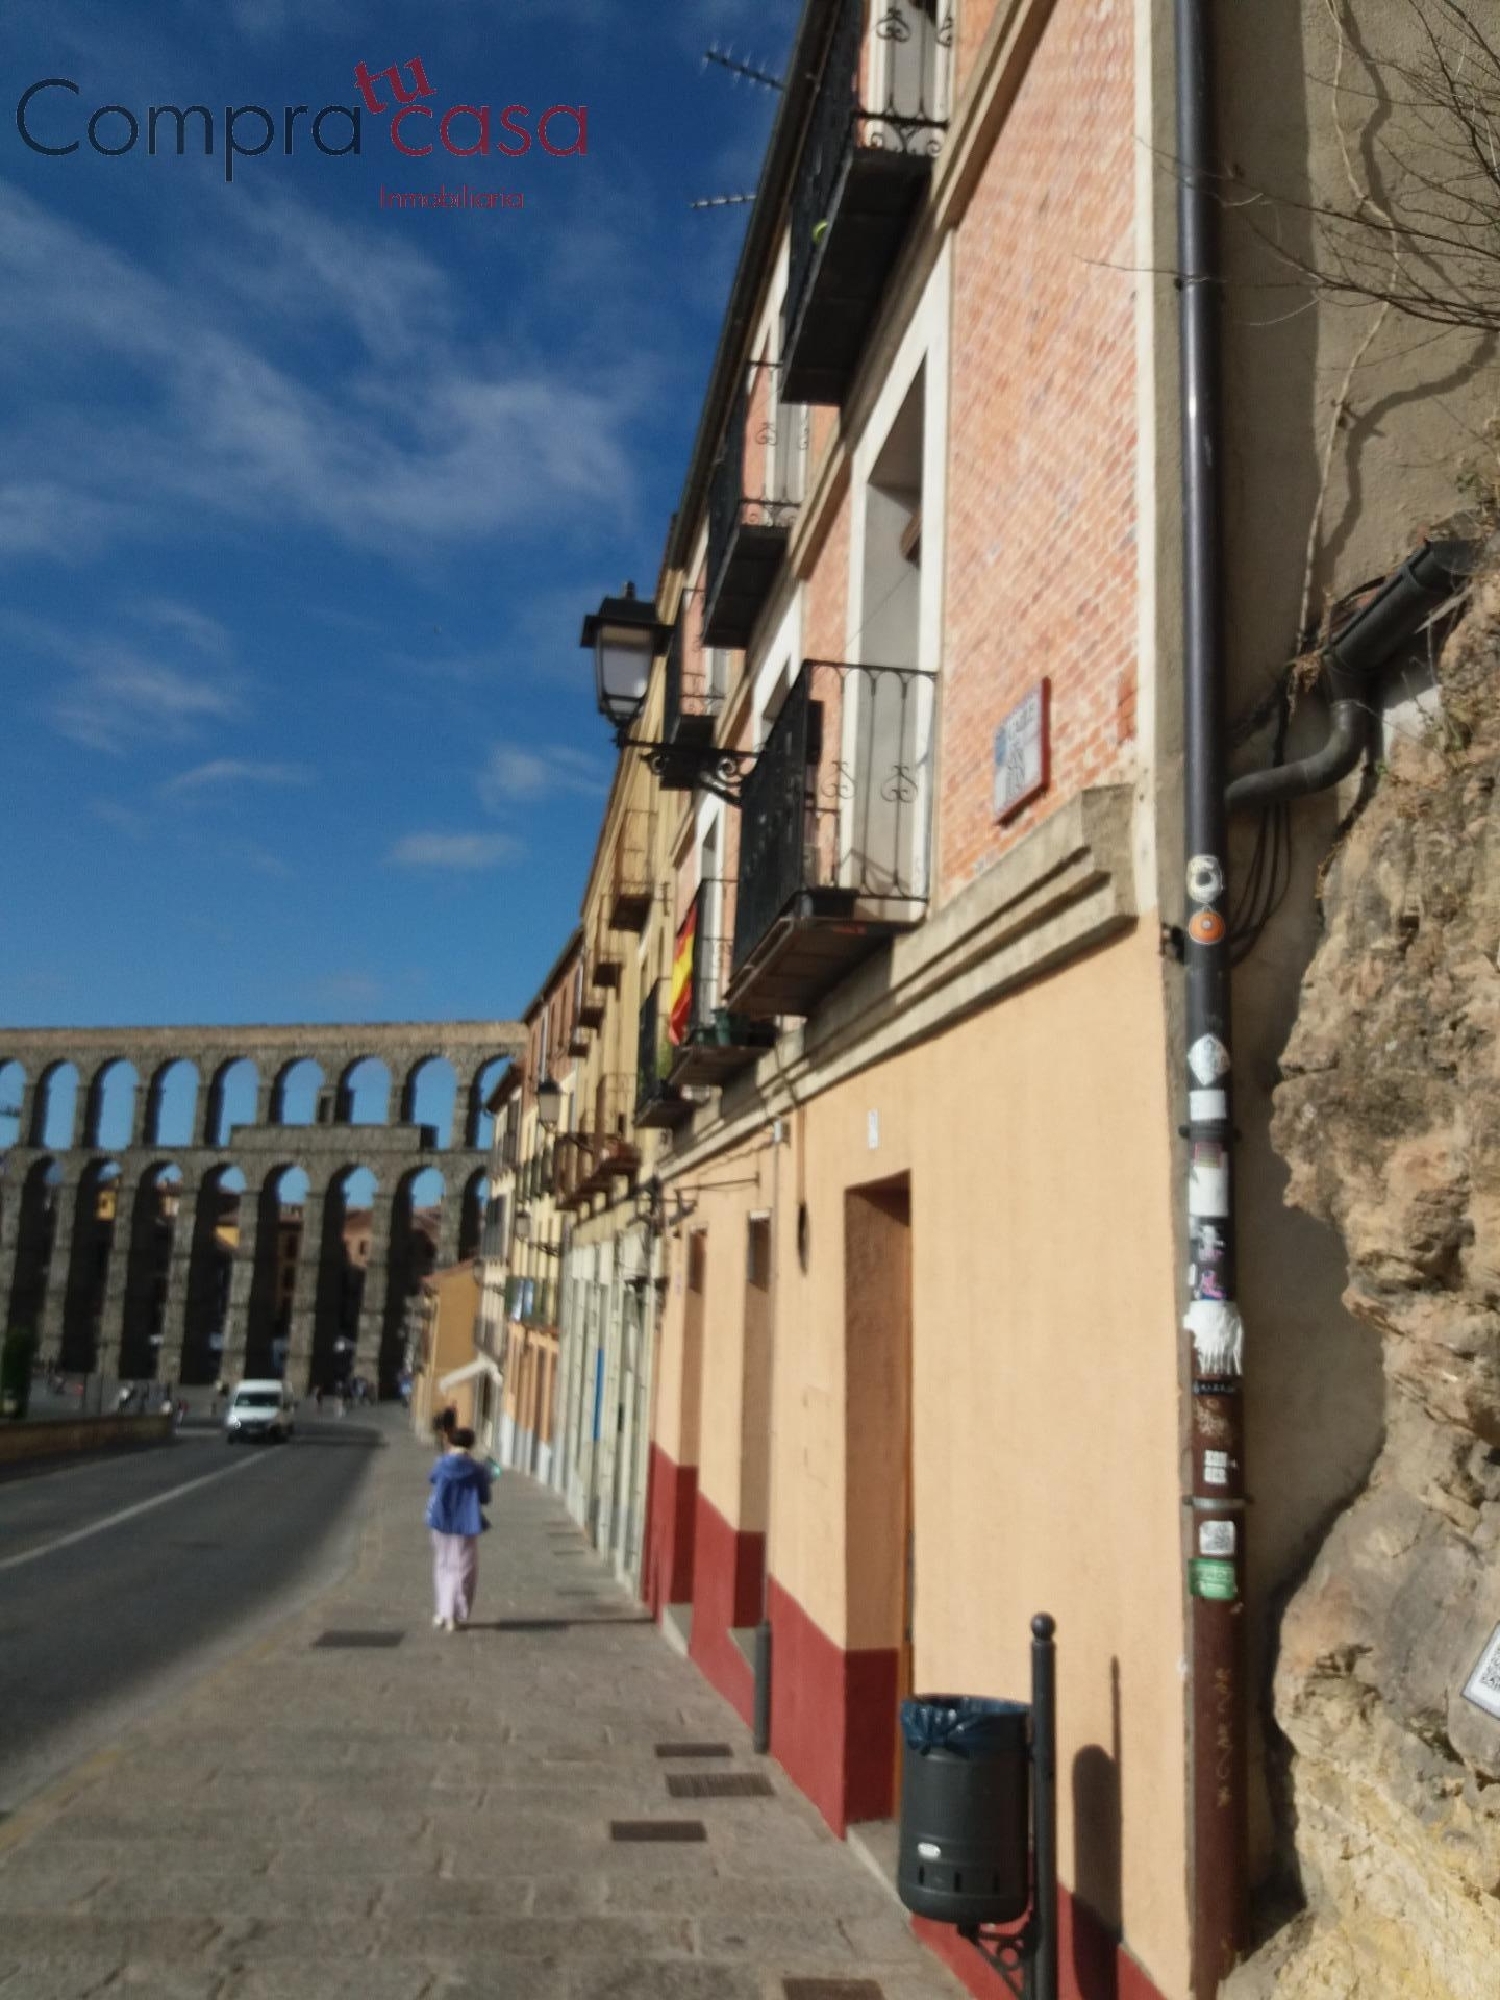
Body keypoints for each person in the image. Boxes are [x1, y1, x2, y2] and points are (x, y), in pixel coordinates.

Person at [425, 1426, 491, 1633]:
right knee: (463, 1568)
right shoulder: (477, 1469)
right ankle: (454, 1613)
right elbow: (485, 1498)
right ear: (471, 1445)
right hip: (466, 1522)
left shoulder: (441, 1463)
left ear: (451, 1443)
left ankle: (442, 1612)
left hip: (440, 1519)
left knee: (443, 1565)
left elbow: (432, 1479)